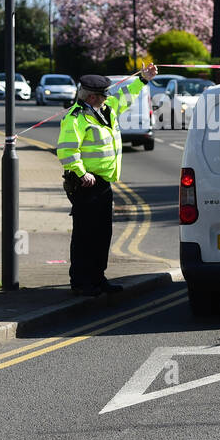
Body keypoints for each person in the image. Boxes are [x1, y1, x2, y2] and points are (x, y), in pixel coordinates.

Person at [56, 65, 158, 295]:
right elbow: (65, 150)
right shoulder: (75, 119)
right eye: (103, 95)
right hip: (85, 185)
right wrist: (81, 172)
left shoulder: (107, 110)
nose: (107, 98)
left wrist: (143, 80)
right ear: (92, 96)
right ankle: (82, 282)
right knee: (85, 235)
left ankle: (98, 278)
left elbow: (125, 96)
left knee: (102, 234)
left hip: (103, 184)